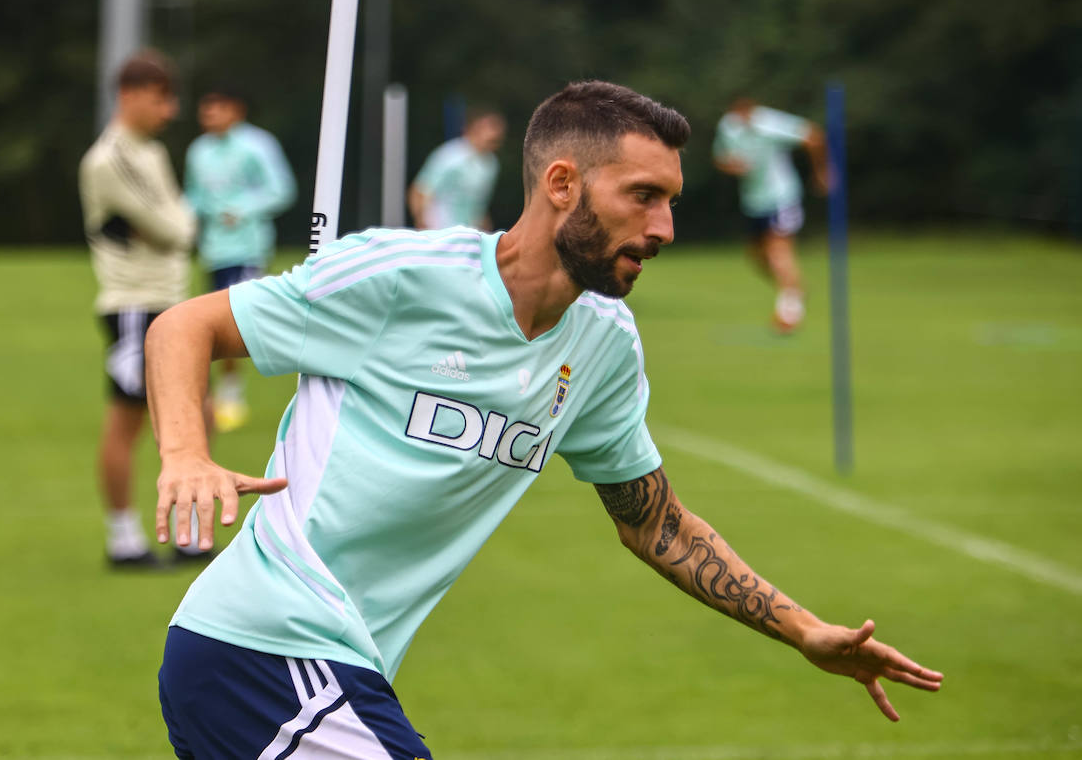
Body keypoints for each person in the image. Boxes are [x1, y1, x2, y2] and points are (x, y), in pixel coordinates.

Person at [144, 81, 942, 757]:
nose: (663, 229)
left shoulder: (603, 342)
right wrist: (186, 453)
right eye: (643, 197)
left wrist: (803, 630)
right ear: (563, 184)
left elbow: (655, 522)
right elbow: (184, 326)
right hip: (262, 649)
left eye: (670, 202)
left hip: (342, 664)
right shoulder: (404, 276)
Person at [79, 49, 198, 569]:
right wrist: (177, 227)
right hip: (133, 304)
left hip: (173, 301)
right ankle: (122, 538)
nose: (168, 111)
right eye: (159, 99)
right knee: (127, 422)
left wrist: (178, 227)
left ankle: (190, 532)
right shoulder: (108, 159)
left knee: (199, 415)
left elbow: (181, 223)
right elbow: (176, 228)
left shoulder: (151, 153)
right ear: (129, 95)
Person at [183, 85, 296, 432]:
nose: (209, 118)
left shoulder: (257, 145)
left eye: (216, 110)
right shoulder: (198, 150)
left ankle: (231, 396)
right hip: (212, 249)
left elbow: (281, 189)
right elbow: (194, 196)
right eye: (205, 111)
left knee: (237, 319)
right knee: (214, 321)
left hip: (248, 246)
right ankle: (221, 394)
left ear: (235, 111)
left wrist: (243, 210)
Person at [713, 97, 830, 332]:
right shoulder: (728, 126)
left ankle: (789, 311)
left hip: (782, 196)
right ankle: (794, 289)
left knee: (779, 249)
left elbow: (813, 136)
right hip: (754, 202)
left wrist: (822, 171)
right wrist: (732, 166)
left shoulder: (771, 123)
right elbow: (720, 159)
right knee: (758, 257)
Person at [407, 109, 506, 231]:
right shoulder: (450, 155)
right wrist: (421, 221)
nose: (495, 139)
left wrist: (484, 225)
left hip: (469, 232)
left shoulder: (491, 164)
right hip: (439, 229)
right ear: (474, 129)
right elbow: (420, 190)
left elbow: (478, 204)